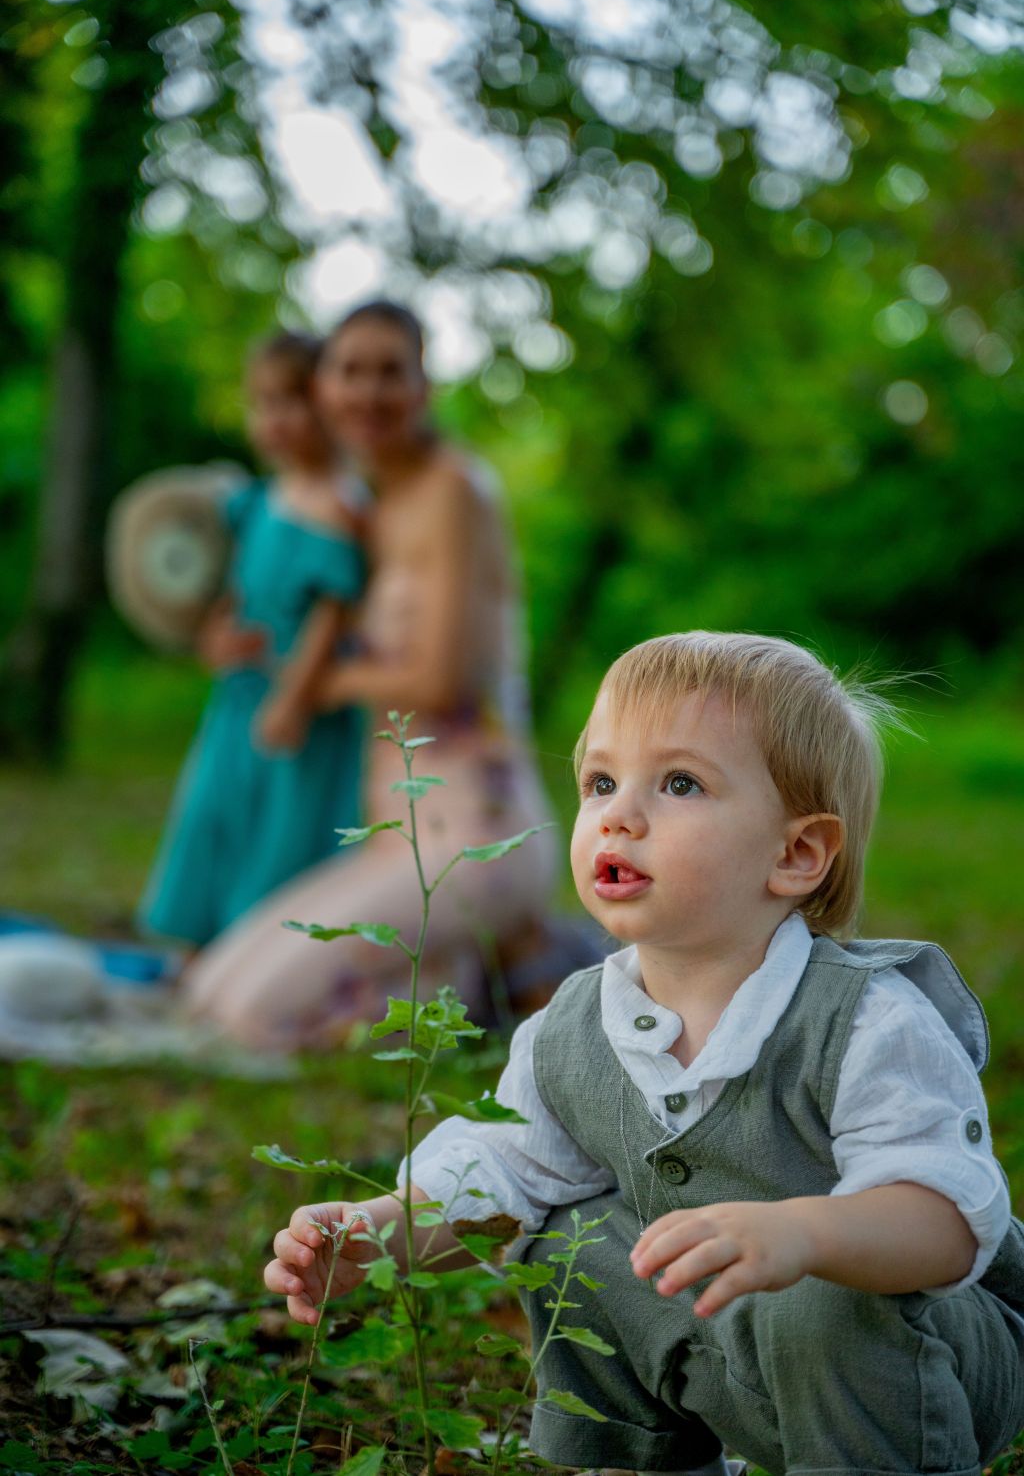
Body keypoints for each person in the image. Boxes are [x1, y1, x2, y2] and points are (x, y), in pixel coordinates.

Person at [264, 630, 1024, 1475]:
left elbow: (947, 1221)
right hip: (727, 1351)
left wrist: (803, 1233)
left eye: (680, 782)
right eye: (600, 781)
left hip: (917, 1365)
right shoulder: (577, 1021)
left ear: (796, 853)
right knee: (567, 1241)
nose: (620, 813)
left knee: (821, 1302)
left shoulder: (868, 1019)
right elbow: (502, 1168)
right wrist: (381, 1232)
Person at [184, 302, 559, 1046]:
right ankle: (486, 977)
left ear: (425, 386)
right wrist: (233, 638)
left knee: (248, 1018)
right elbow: (306, 618)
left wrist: (316, 688)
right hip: (400, 839)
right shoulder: (368, 511)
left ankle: (515, 969)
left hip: (477, 835)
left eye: (392, 371)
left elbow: (435, 681)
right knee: (205, 989)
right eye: (349, 370)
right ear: (323, 388)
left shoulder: (456, 489)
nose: (368, 392)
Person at [140, 332, 366, 949]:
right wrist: (212, 636)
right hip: (237, 697)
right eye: (262, 403)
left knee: (280, 831)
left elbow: (332, 614)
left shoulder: (338, 503)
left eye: (293, 400)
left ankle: (254, 950)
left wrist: (294, 696)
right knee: (214, 815)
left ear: (327, 404)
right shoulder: (257, 501)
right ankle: (195, 944)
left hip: (296, 707)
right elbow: (225, 588)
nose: (277, 419)